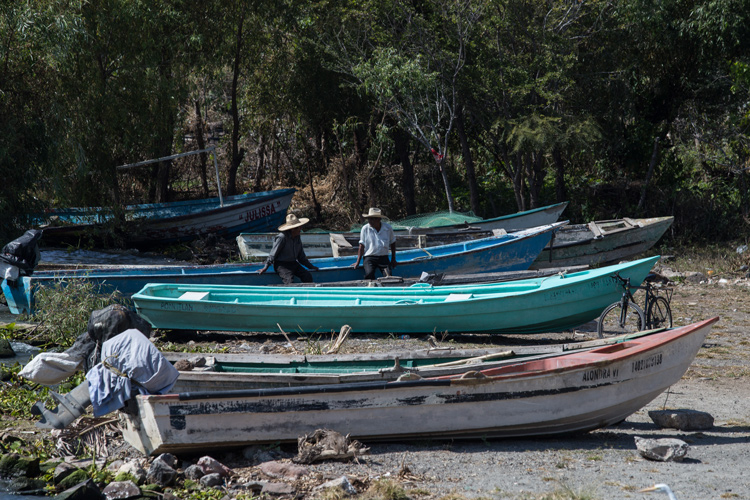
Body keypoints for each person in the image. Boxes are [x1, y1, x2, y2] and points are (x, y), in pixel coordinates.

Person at [258, 213, 319, 284]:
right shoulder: (282, 238)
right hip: (281, 265)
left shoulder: (297, 237)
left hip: (293, 263)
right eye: (299, 227)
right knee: (289, 281)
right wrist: (265, 267)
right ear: (293, 229)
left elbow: (301, 257)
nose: (300, 229)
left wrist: (311, 266)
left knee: (307, 276)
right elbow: (273, 254)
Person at [351, 207, 397, 280]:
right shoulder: (365, 228)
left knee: (388, 275)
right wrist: (358, 262)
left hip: (383, 257)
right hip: (369, 257)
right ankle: (370, 287)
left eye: (372, 219)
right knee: (369, 273)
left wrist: (393, 259)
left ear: (379, 219)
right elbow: (361, 245)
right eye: (369, 219)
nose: (370, 221)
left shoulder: (388, 228)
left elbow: (393, 243)